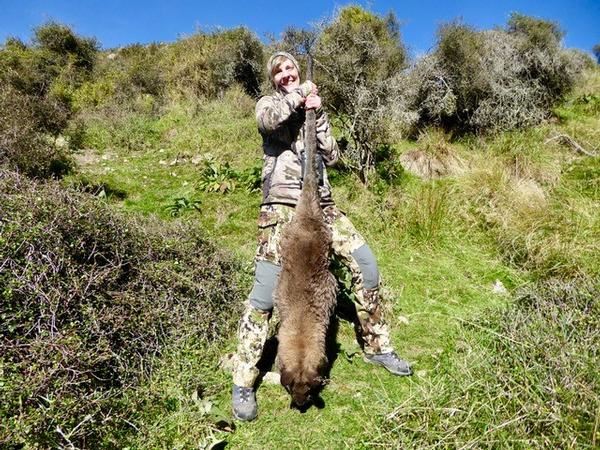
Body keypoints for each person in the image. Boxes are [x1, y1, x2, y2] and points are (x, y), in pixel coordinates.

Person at [232, 51, 412, 421]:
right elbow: (269, 121)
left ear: (298, 71)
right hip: (282, 206)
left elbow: (331, 157)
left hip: (322, 205)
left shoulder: (313, 106)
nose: (286, 74)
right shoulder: (269, 103)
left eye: (291, 68)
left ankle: (376, 346)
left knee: (366, 264)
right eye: (279, 71)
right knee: (264, 293)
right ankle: (244, 380)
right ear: (273, 78)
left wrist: (318, 113)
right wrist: (300, 97)